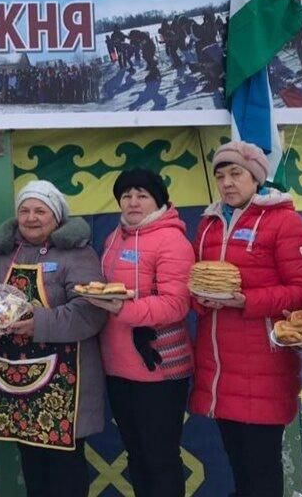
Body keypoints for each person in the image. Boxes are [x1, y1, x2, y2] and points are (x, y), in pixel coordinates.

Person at [189, 141, 302, 497]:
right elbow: (197, 279)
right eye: (221, 176)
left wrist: (247, 301)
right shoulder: (209, 224)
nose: (227, 183)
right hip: (218, 366)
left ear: (256, 178)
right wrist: (199, 301)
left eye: (236, 174)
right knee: (240, 468)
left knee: (261, 473)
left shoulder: (284, 221)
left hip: (263, 364)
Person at [0, 180, 108, 497]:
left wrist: (38, 324)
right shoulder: (3, 255)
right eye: (25, 210)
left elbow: (91, 312)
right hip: (17, 381)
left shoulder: (77, 254)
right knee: (33, 469)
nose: (31, 217)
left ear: (57, 216)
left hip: (64, 385)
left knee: (66, 475)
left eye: (40, 210)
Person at [85, 169, 194, 497]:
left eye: (142, 195)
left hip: (158, 366)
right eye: (126, 195)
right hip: (118, 365)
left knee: (160, 458)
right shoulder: (113, 238)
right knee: (136, 455)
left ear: (157, 200)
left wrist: (122, 310)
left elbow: (176, 304)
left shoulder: (172, 240)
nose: (133, 202)